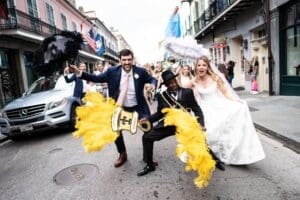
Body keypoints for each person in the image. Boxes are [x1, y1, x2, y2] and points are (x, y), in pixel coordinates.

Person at [67, 49, 157, 168]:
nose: (127, 62)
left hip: (139, 107)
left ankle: (148, 158)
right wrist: (79, 73)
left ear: (132, 59)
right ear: (120, 60)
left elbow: (152, 79)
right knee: (116, 130)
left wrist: (152, 84)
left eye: (129, 59)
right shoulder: (112, 71)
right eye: (124, 60)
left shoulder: (140, 71)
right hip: (120, 107)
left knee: (148, 130)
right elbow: (95, 79)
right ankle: (122, 154)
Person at [192, 56, 265, 165]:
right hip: (205, 109)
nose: (201, 67)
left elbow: (225, 92)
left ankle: (232, 154)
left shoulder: (216, 78)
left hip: (219, 106)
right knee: (209, 132)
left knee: (226, 130)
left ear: (208, 67)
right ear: (196, 67)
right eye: (199, 65)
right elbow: (185, 89)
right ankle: (210, 154)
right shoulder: (194, 81)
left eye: (204, 65)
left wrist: (236, 101)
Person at [136, 70, 207, 176]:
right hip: (169, 125)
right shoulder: (162, 96)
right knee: (147, 137)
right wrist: (148, 119)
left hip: (185, 125)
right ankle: (149, 165)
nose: (172, 84)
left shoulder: (187, 92)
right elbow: (160, 114)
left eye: (173, 81)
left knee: (200, 140)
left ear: (176, 80)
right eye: (169, 83)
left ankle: (210, 159)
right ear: (166, 84)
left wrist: (201, 124)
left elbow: (196, 109)